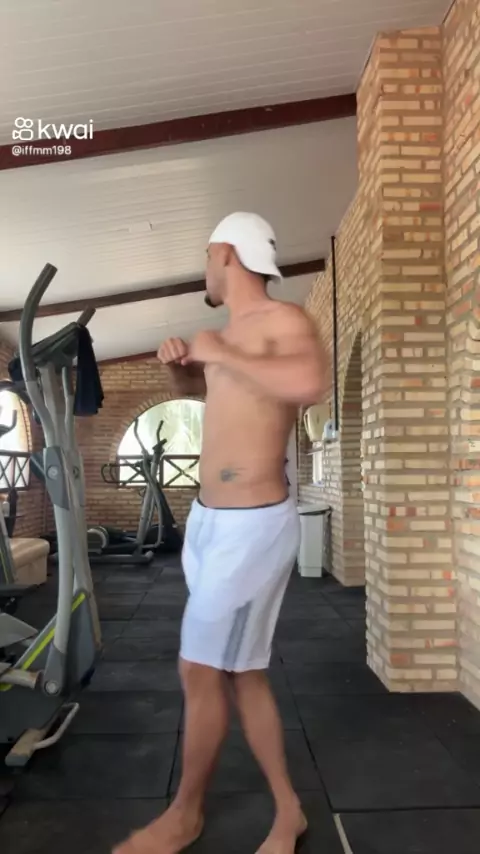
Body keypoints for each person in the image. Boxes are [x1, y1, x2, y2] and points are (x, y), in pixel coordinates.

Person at [116, 212, 329, 854]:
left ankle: (186, 814)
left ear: (227, 252)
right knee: (242, 671)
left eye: (208, 255)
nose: (205, 268)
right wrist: (181, 366)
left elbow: (311, 384)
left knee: (198, 667)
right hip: (210, 523)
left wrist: (222, 351)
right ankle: (289, 810)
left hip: (253, 528)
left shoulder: (285, 320)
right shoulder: (229, 334)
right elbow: (223, 396)